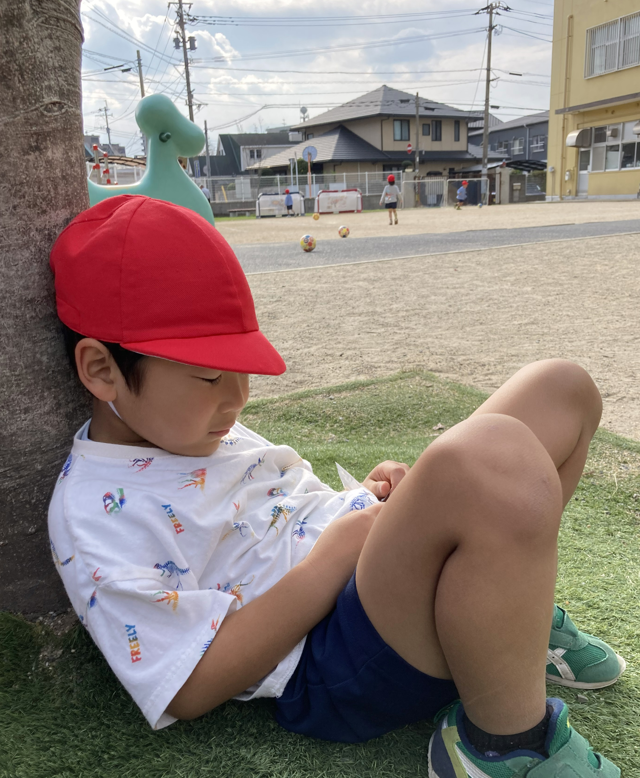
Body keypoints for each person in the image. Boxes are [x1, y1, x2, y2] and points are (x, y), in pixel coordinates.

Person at [48, 195, 624, 778]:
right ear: (101, 369)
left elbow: (280, 513)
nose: (238, 398)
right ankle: (502, 745)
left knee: (560, 389)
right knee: (488, 455)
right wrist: (337, 554)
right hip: (327, 656)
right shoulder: (95, 511)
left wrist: (368, 501)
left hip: (363, 574)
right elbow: (188, 687)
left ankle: (506, 620)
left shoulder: (191, 425)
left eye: (243, 368)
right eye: (209, 375)